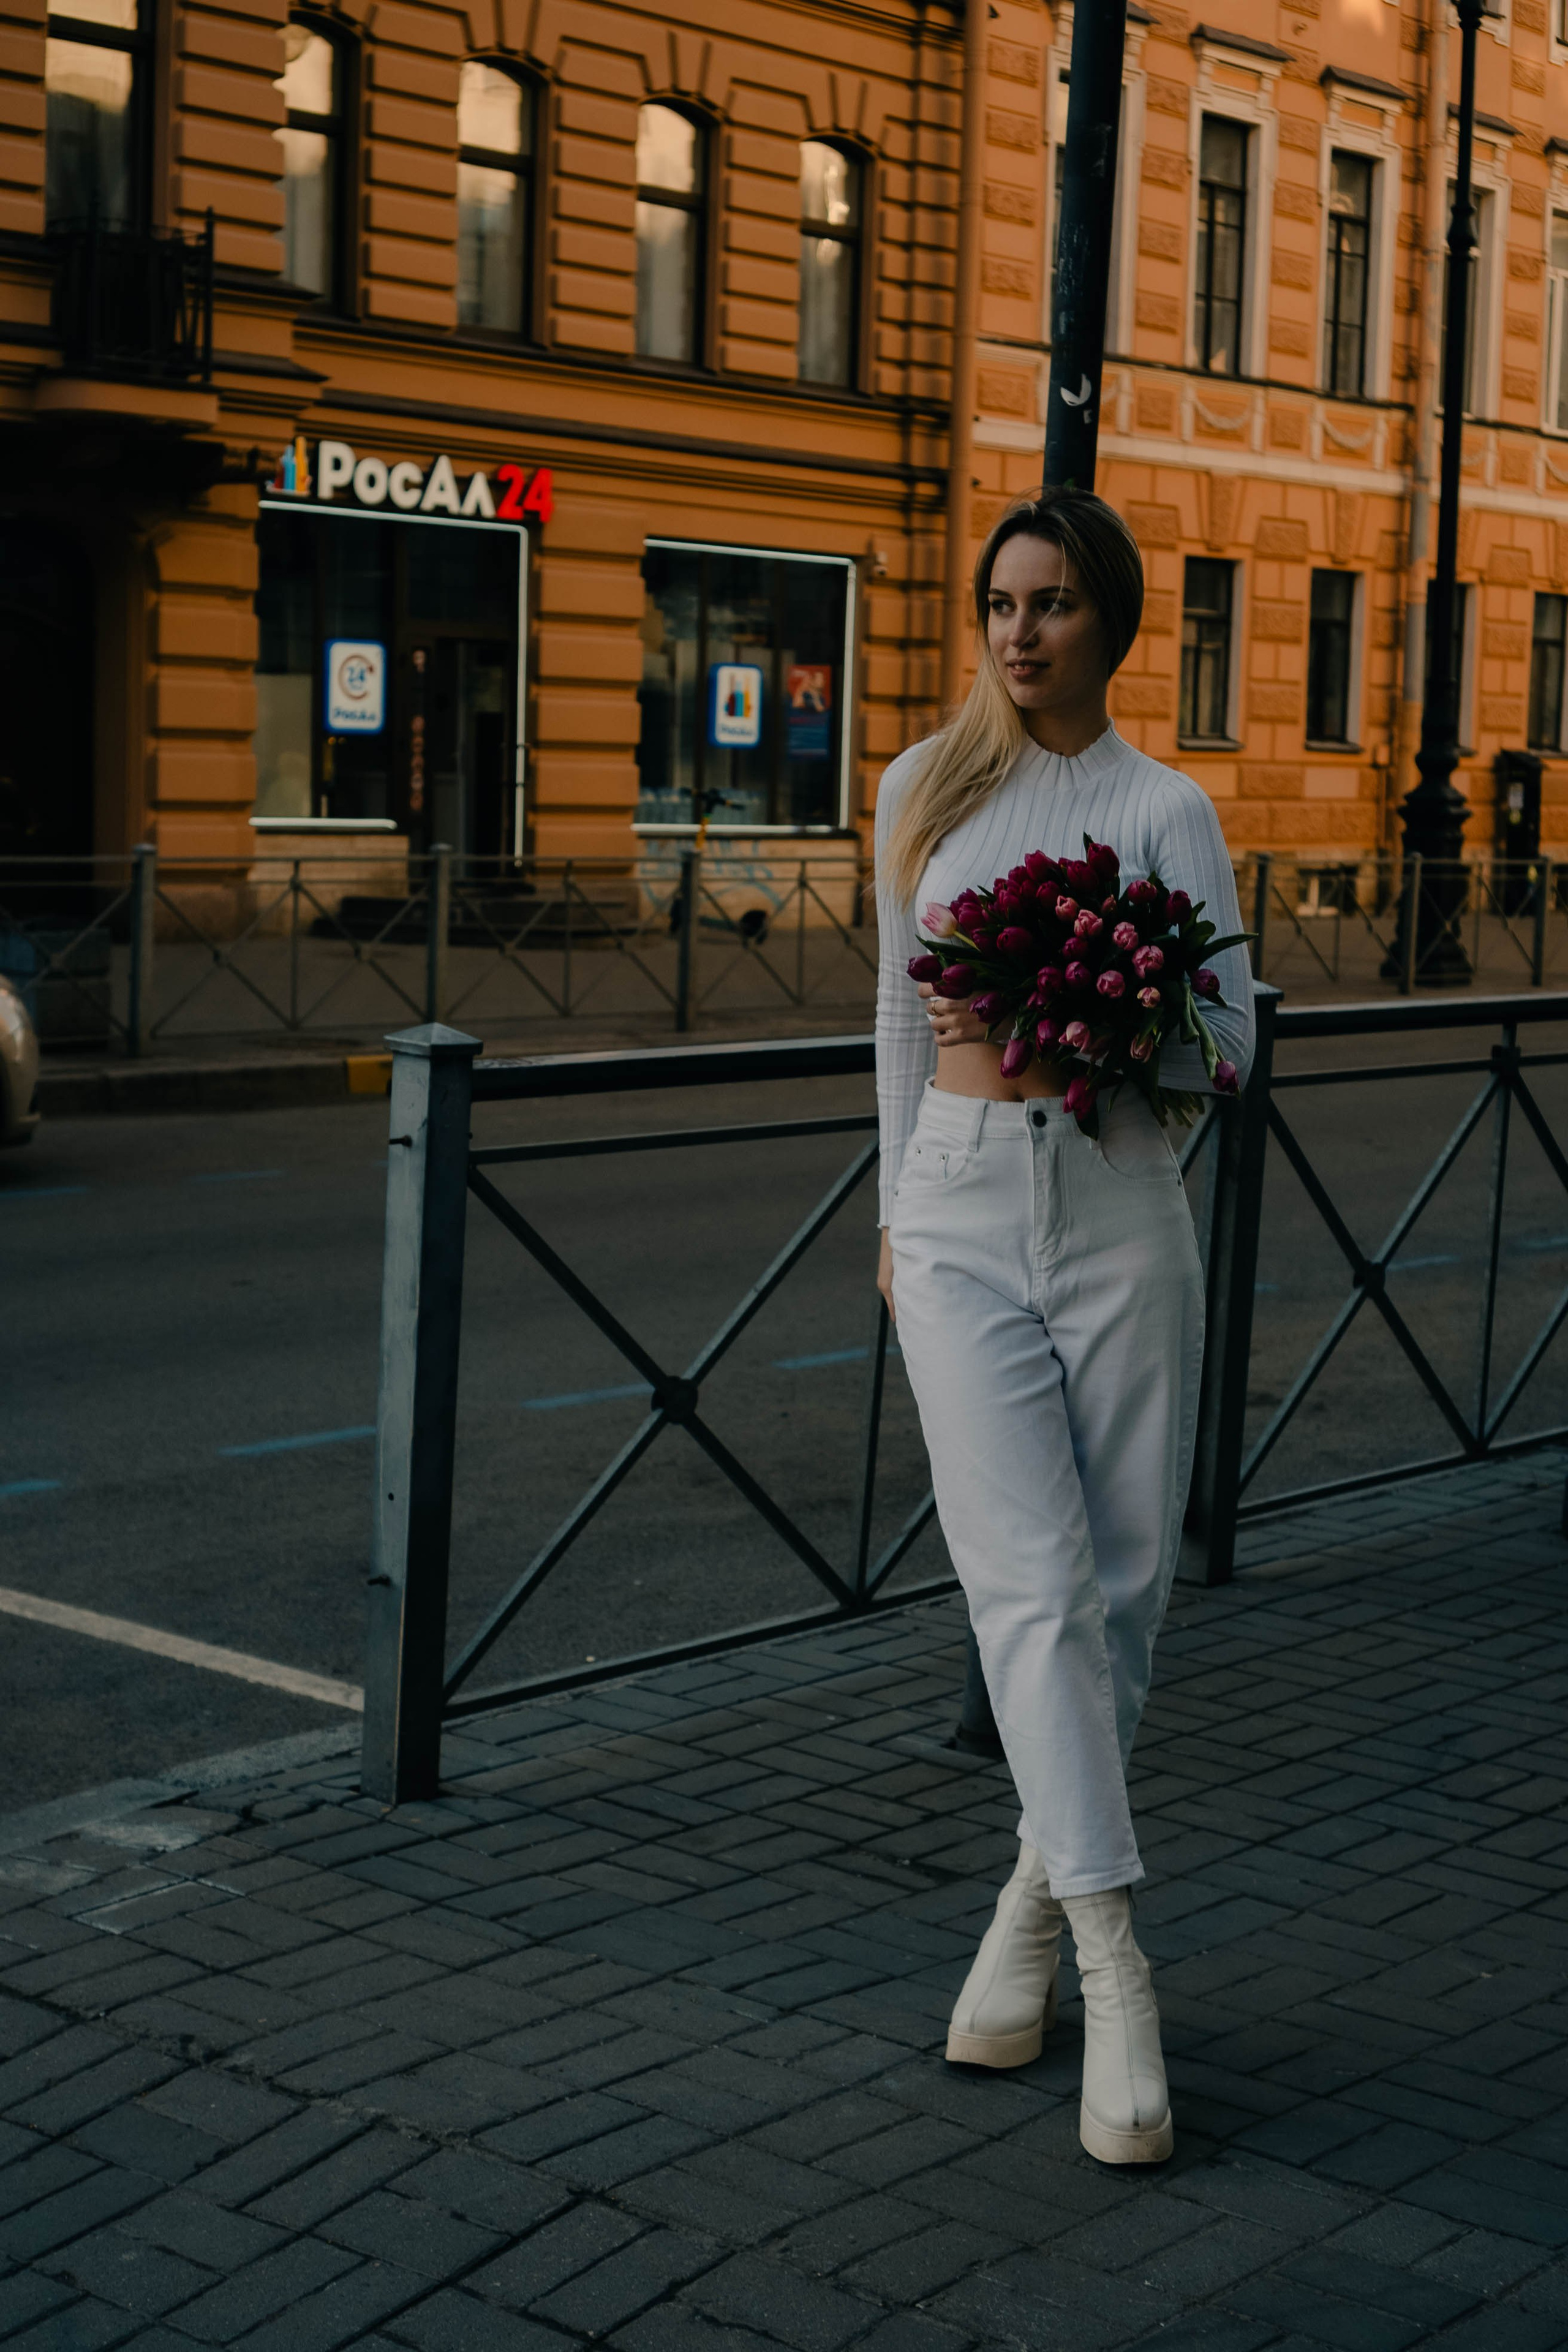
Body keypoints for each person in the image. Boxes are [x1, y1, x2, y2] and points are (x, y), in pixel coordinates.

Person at [873, 488, 1254, 2165]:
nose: (1020, 632)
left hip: (1114, 1201)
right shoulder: (921, 790)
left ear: (1113, 621)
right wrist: (893, 1211)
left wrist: (1095, 1013)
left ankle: (1025, 1919)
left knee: (1120, 1593)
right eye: (1000, 603)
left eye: (1054, 603)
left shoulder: (1168, 810)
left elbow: (1232, 1054)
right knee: (1023, 1588)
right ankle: (1117, 1967)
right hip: (956, 1206)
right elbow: (889, 1031)